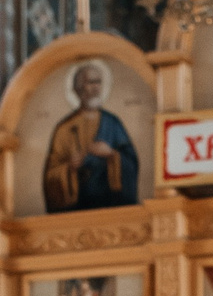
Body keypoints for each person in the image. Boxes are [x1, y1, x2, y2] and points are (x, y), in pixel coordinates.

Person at [42, 62, 141, 212]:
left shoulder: (112, 123)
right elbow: (50, 177)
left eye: (98, 82)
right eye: (90, 82)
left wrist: (110, 154)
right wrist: (69, 168)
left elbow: (132, 163)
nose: (95, 87)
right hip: (77, 210)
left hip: (112, 207)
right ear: (78, 89)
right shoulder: (64, 129)